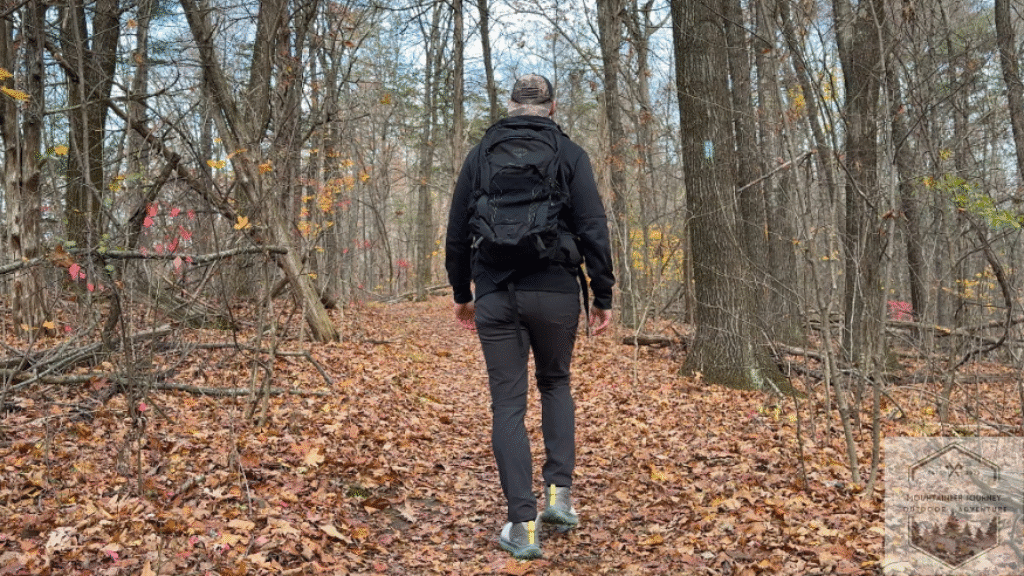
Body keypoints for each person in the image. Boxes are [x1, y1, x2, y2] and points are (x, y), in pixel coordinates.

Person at [445, 74, 615, 559]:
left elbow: (457, 231)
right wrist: (602, 294)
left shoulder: (480, 155)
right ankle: (559, 496)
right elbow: (593, 227)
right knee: (556, 383)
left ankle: (522, 525)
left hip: (496, 293)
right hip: (557, 291)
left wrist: (463, 292)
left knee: (508, 405)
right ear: (553, 107)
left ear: (511, 105)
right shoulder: (570, 154)